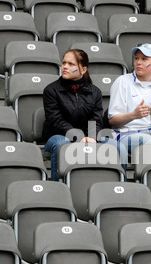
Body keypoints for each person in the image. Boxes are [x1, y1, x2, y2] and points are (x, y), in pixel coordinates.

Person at [42, 48, 104, 181]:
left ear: (83, 69)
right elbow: (55, 120)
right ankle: (57, 186)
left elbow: (96, 118)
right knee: (62, 145)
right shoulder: (51, 90)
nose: (65, 67)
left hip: (86, 137)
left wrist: (91, 137)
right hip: (57, 136)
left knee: (116, 147)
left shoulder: (95, 92)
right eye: (64, 63)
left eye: (71, 64)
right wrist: (78, 136)